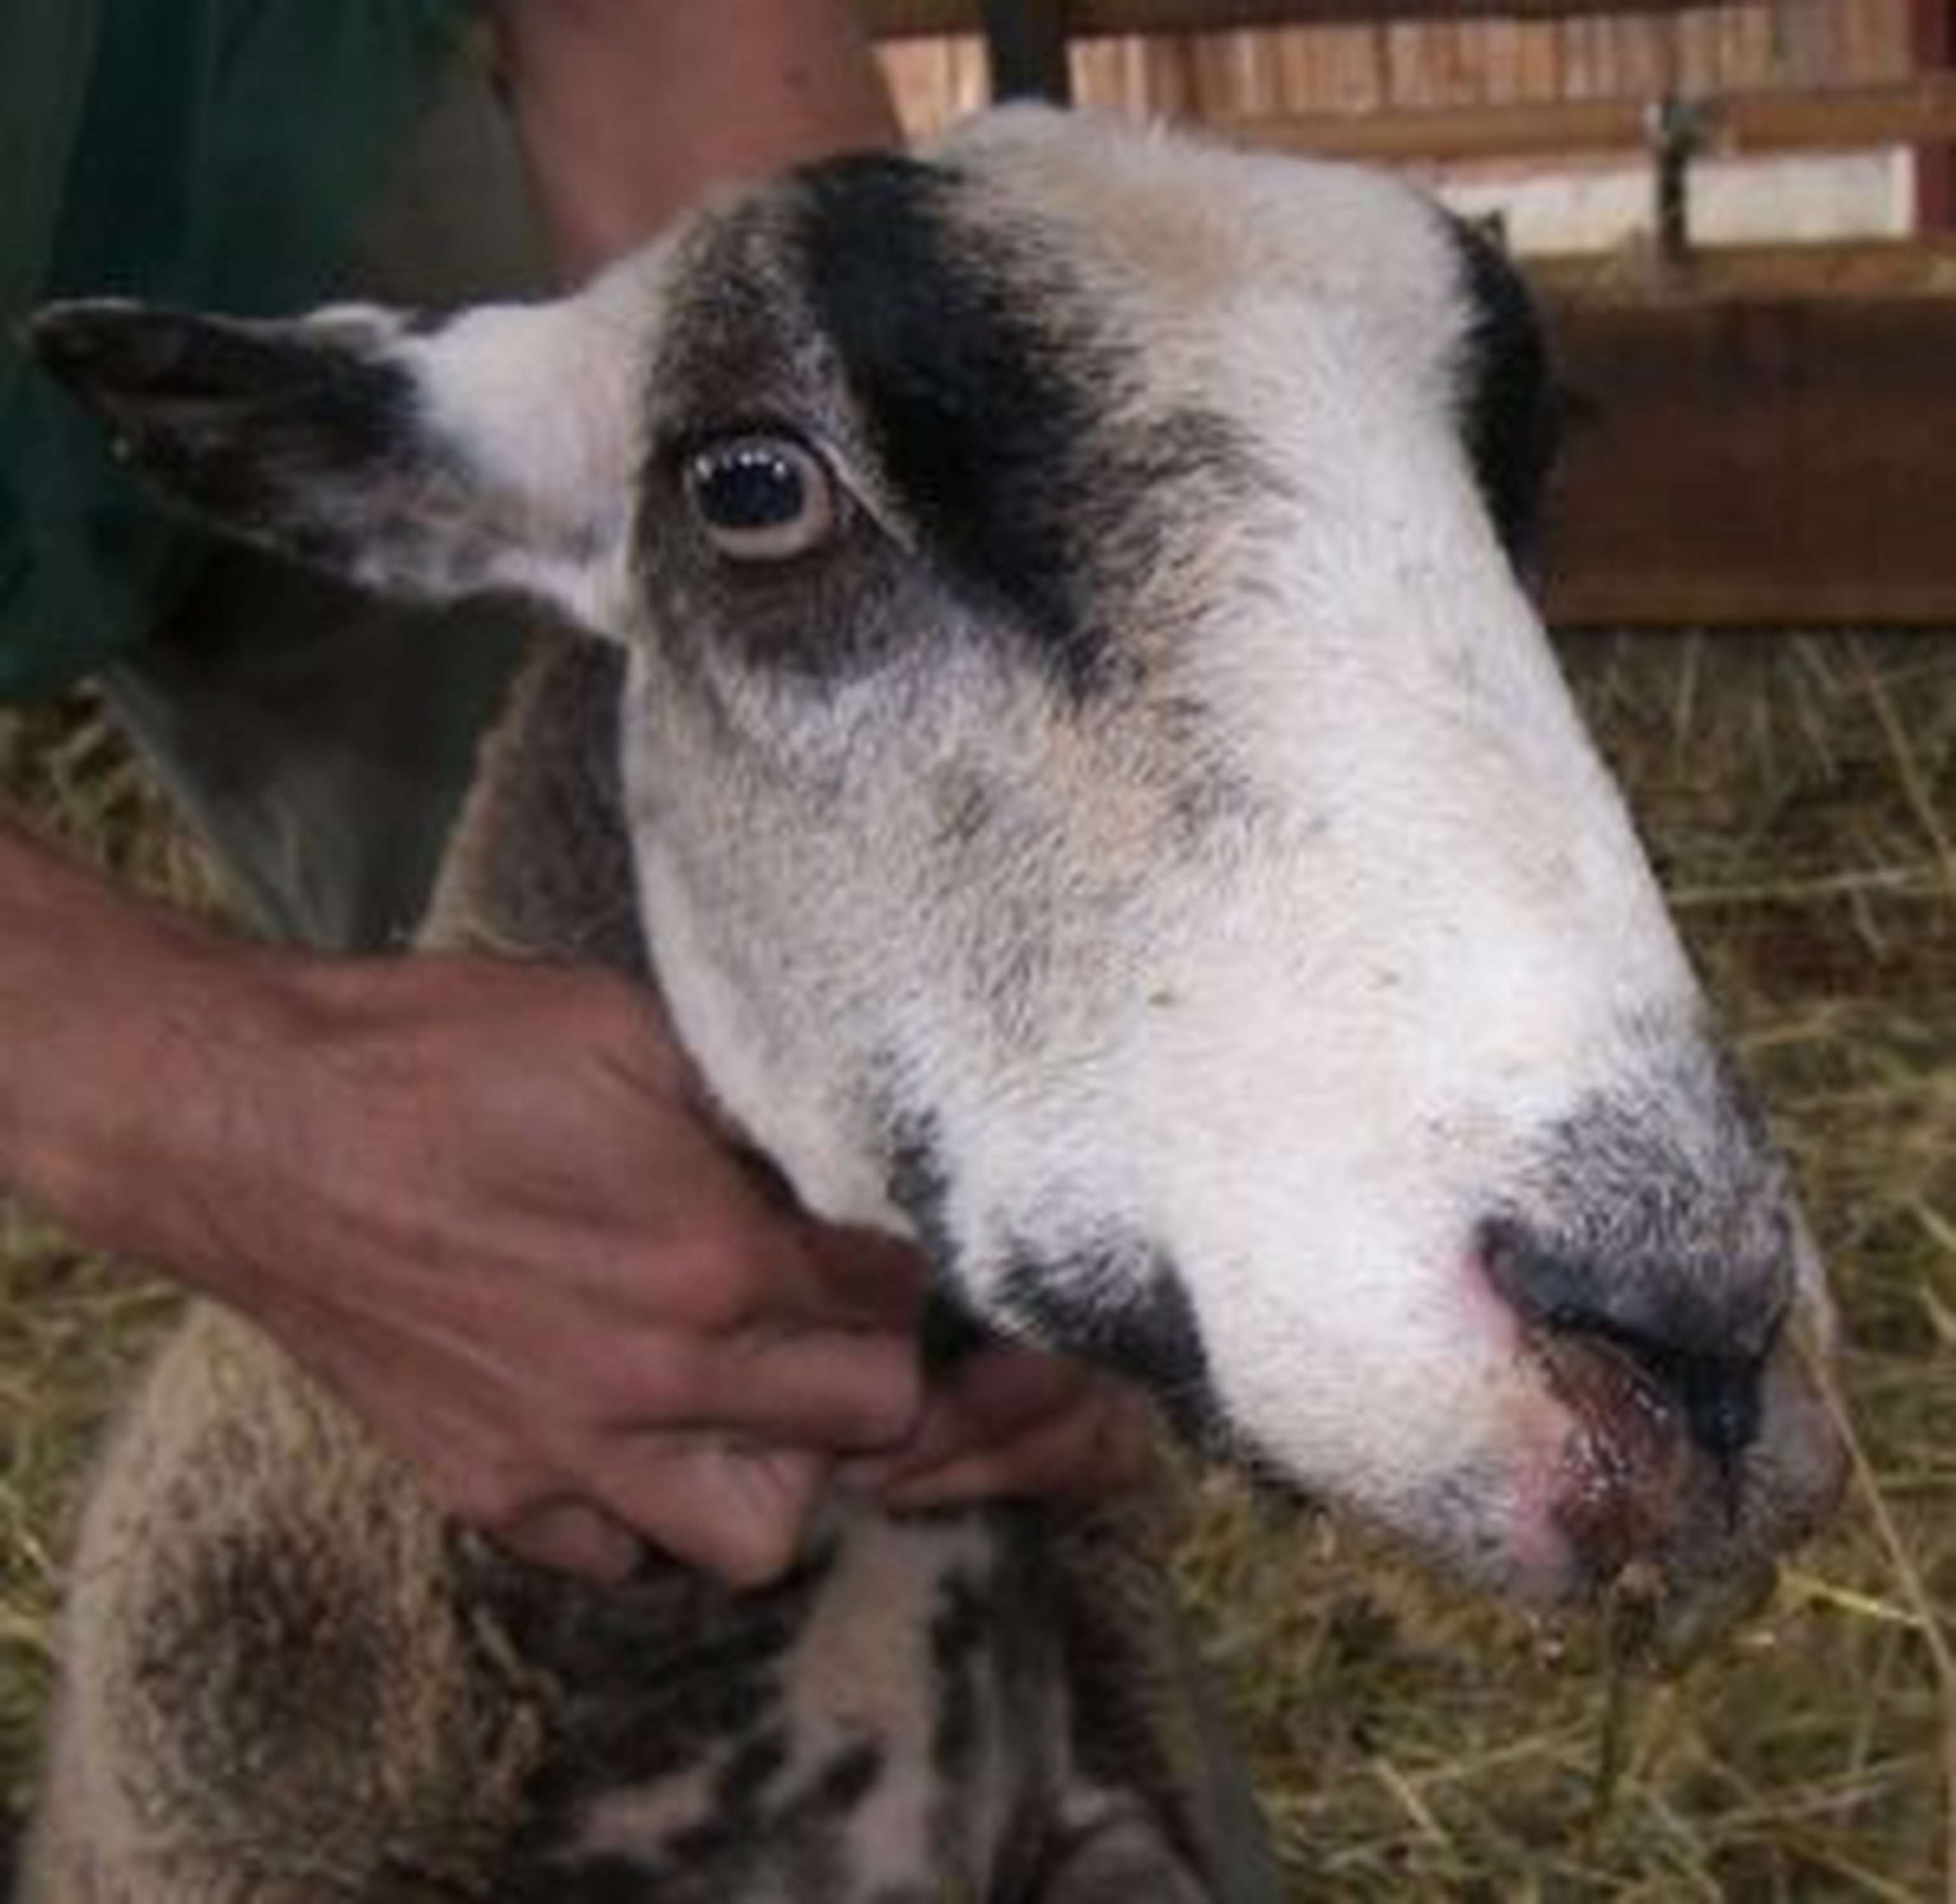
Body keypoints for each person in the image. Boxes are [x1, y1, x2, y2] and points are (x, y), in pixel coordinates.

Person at [0, 0, 1152, 1590]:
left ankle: (995, 1725)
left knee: (699, 1175)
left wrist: (1007, 1035)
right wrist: (221, 1103)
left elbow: (685, 75)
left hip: (233, 101)